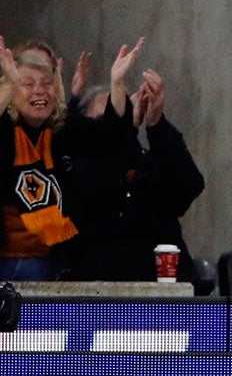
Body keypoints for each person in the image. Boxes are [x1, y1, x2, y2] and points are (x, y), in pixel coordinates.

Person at [0, 36, 142, 281]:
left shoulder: (62, 130)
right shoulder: (6, 128)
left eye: (46, 83)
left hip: (58, 260)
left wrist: (116, 84)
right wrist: (9, 85)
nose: (39, 91)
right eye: (28, 83)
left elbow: (112, 139)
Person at [69, 67, 205, 283]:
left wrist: (156, 123)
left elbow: (188, 186)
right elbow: (101, 177)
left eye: (116, 117)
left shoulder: (148, 163)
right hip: (99, 296)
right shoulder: (76, 166)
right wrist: (124, 131)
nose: (110, 125)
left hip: (162, 295)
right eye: (101, 119)